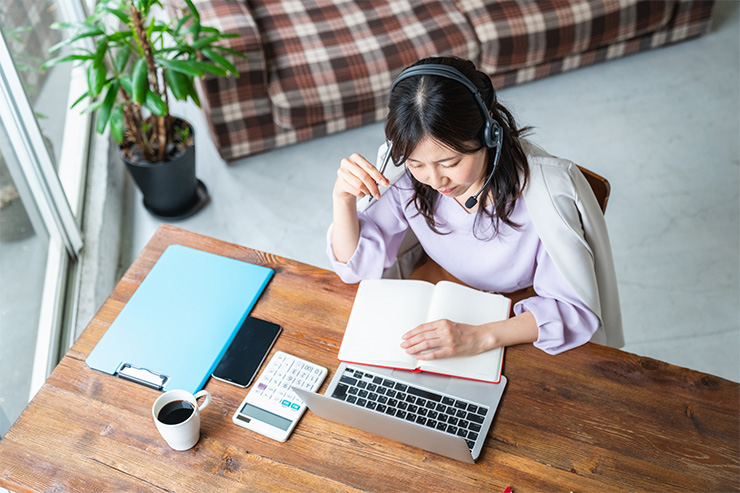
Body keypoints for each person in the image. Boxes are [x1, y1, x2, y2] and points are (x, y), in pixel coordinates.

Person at [327, 56, 622, 362]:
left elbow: (573, 309)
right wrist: (343, 200)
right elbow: (354, 267)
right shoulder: (405, 176)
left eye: (450, 163)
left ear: (489, 131)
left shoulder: (546, 191)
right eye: (417, 164)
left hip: (515, 309)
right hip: (439, 287)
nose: (435, 180)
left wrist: (480, 337)